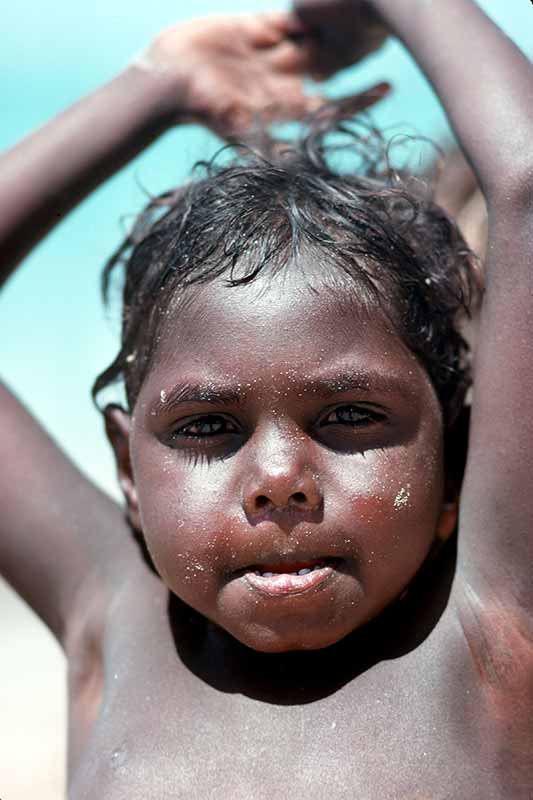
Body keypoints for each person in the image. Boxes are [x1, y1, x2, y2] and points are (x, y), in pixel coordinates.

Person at [0, 3, 531, 798]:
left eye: (349, 416)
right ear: (128, 469)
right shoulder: (114, 620)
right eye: (208, 426)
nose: (279, 477)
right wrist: (160, 84)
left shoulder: (486, 627)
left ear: (453, 460)